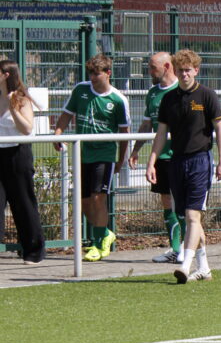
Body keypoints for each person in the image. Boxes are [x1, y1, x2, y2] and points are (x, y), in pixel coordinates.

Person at [146, 49, 221, 284]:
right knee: (186, 216)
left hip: (200, 161)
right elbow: (161, 134)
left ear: (196, 71)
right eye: (180, 70)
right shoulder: (168, 99)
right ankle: (204, 268)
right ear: (175, 70)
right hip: (176, 162)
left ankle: (185, 264)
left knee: (193, 215)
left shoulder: (207, 96)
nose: (184, 74)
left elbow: (220, 130)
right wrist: (151, 162)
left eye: (188, 70)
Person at [53, 53, 130, 262]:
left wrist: (121, 159)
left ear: (108, 73)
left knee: (98, 198)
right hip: (83, 153)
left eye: (97, 73)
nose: (93, 77)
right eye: (91, 73)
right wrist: (57, 133)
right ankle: (105, 233)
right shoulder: (81, 90)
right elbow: (66, 114)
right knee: (84, 202)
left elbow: (125, 134)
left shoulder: (118, 100)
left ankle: (97, 244)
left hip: (104, 154)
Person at [128, 52, 182, 263]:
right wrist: (136, 149)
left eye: (152, 67)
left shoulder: (181, 89)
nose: (149, 72)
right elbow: (147, 124)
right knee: (166, 202)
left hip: (181, 155)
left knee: (184, 204)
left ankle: (188, 248)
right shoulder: (152, 93)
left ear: (167, 66)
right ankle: (176, 249)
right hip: (160, 157)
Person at [0, 60, 46, 264]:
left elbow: (27, 129)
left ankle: (33, 251)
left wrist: (13, 106)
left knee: (23, 203)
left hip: (18, 155)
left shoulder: (21, 98)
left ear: (6, 75)